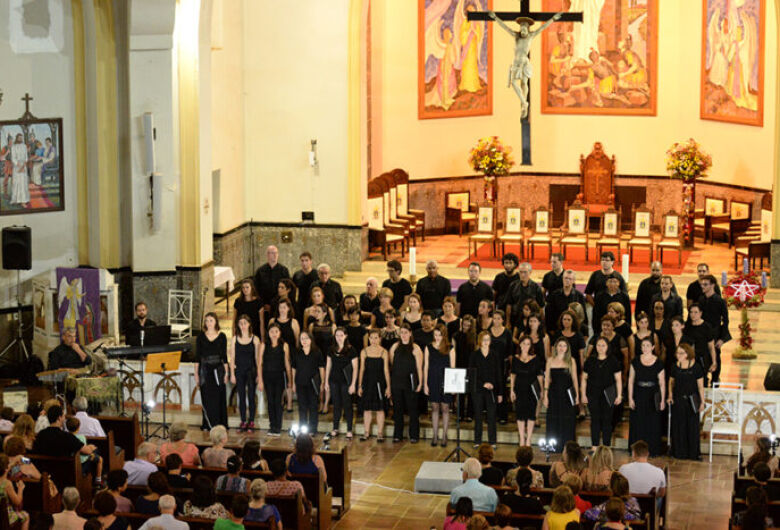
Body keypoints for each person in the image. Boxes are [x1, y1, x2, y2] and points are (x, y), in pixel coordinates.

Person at [627, 338, 665, 456]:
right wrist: (630, 398)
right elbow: (630, 381)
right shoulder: (635, 361)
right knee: (638, 422)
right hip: (638, 394)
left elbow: (662, 383)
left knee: (652, 423)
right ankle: (636, 450)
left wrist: (662, 400)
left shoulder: (658, 363)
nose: (645, 348)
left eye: (648, 345)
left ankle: (652, 450)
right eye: (643, 345)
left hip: (652, 396)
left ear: (653, 347)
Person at [668, 344, 705, 460]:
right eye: (678, 353)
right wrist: (670, 395)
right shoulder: (675, 366)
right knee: (679, 426)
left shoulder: (696, 367)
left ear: (688, 354)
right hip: (678, 399)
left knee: (692, 426)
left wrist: (702, 402)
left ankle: (693, 453)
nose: (679, 355)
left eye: (682, 353)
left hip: (691, 401)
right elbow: (671, 383)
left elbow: (700, 387)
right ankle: (679, 452)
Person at [388, 325, 422, 444]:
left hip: (411, 382)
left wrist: (420, 383)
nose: (403, 335)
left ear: (410, 333)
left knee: (413, 410)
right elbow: (392, 363)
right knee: (397, 410)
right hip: (397, 382)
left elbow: (419, 367)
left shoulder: (415, 348)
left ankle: (414, 435)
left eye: (406, 332)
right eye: (401, 332)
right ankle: (398, 435)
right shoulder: (394, 347)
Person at [195, 312, 229, 430]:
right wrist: (196, 374)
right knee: (206, 398)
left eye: (211, 320)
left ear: (216, 322)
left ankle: (220, 424)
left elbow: (224, 357)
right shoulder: (200, 337)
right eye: (207, 321)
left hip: (218, 371)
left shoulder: (222, 336)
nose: (208, 323)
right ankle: (207, 424)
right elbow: (197, 357)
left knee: (219, 397)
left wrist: (227, 373)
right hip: (205, 370)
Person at [228, 315, 261, 433]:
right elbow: (232, 358)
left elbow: (258, 359)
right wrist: (232, 374)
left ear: (249, 324)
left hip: (251, 370)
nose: (243, 325)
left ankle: (251, 421)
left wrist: (259, 375)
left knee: (251, 396)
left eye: (245, 323)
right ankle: (243, 421)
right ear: (238, 325)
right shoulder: (234, 339)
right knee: (241, 396)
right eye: (240, 323)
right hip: (239, 371)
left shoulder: (255, 339)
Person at [324, 328, 359, 441]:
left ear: (345, 336)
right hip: (334, 380)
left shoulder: (351, 350)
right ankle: (335, 428)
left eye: (341, 335)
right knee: (336, 405)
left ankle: (349, 429)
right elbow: (328, 366)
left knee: (347, 405)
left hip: (346, 382)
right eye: (337, 335)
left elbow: (355, 368)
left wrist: (353, 384)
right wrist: (326, 381)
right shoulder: (330, 349)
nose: (339, 337)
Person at [545, 339, 579, 450]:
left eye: (564, 346)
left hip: (567, 394)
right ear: (556, 347)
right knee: (553, 419)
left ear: (567, 348)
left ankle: (567, 446)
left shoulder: (571, 361)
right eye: (560, 345)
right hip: (553, 394)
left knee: (568, 419)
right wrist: (545, 395)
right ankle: (553, 445)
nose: (562, 348)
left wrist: (577, 395)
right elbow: (547, 379)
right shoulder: (550, 360)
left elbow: (575, 379)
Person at [696, 273, 730, 385]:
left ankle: (715, 380)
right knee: (703, 357)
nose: (703, 287)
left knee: (715, 356)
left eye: (705, 284)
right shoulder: (701, 299)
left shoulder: (720, 301)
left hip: (715, 333)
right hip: (703, 334)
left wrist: (722, 339)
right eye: (702, 284)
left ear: (712, 285)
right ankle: (704, 380)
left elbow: (725, 321)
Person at [470, 331, 502, 447]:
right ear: (479, 341)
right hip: (478, 389)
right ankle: (477, 440)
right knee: (478, 415)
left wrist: (499, 391)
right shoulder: (474, 355)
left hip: (492, 389)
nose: (486, 342)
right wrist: (482, 384)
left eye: (488, 339)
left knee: (492, 416)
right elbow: (472, 374)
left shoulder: (494, 355)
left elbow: (498, 373)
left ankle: (492, 441)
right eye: (484, 340)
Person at [510, 335, 544, 446]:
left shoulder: (535, 359)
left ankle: (528, 438)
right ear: (520, 344)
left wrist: (542, 390)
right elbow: (513, 375)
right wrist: (511, 390)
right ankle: (521, 438)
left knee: (531, 414)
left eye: (528, 344)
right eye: (524, 343)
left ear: (531, 346)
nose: (525, 346)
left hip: (531, 390)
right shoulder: (515, 358)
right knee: (520, 414)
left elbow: (539, 375)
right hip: (519, 389)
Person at [259, 323, 292, 436]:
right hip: (267, 376)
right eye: (272, 331)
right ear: (268, 333)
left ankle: (278, 426)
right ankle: (271, 425)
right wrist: (260, 380)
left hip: (279, 376)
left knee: (278, 401)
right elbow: (260, 364)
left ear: (279, 333)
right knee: (270, 401)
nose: (274, 334)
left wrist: (290, 380)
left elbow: (287, 363)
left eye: (276, 331)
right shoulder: (264, 345)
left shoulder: (284, 345)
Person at [358, 329, 391, 441]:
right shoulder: (364, 351)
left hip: (379, 383)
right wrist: (359, 385)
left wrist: (388, 387)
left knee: (380, 409)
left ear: (380, 339)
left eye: (376, 338)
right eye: (371, 338)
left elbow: (386, 371)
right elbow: (361, 370)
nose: (373, 340)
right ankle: (366, 432)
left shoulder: (384, 352)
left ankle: (380, 433)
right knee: (367, 409)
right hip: (367, 383)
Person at [426, 324, 456, 446]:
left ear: (444, 335)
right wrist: (425, 384)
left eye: (440, 335)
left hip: (446, 380)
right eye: (435, 335)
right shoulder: (428, 347)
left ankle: (444, 436)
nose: (437, 337)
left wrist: (453, 385)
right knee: (434, 407)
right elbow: (425, 366)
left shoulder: (450, 348)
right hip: (433, 379)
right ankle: (434, 435)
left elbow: (453, 367)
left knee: (445, 408)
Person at [291, 331, 325, 434]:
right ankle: (303, 429)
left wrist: (322, 382)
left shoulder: (317, 352)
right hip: (300, 383)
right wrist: (292, 383)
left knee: (313, 406)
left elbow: (321, 368)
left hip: (313, 384)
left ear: (311, 339)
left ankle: (313, 429)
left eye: (306, 338)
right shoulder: (297, 352)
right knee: (302, 407)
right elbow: (294, 368)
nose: (304, 341)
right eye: (302, 338)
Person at [546, 270, 588, 335]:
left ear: (573, 280)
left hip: (574, 332)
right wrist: (551, 331)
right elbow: (549, 315)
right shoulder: (554, 295)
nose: (567, 280)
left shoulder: (579, 296)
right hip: (557, 331)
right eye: (565, 278)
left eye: (570, 278)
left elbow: (583, 316)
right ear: (562, 279)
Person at [506, 262, 545, 329]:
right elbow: (509, 305)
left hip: (531, 321)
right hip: (515, 319)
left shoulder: (536, 287)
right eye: (521, 272)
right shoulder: (513, 286)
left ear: (530, 272)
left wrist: (541, 323)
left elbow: (541, 307)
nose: (522, 275)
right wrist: (508, 322)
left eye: (525, 272)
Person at [65, 416, 103, 485]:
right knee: (99, 459)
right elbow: (85, 452)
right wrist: (91, 449)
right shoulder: (81, 437)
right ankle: (98, 480)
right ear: (78, 427)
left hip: (70, 462)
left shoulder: (66, 437)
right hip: (82, 463)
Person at [685, 304, 717, 382]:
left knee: (702, 380)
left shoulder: (706, 327)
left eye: (696, 312)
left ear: (700, 313)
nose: (693, 315)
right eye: (691, 312)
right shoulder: (687, 326)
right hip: (689, 359)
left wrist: (714, 362)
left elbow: (711, 347)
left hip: (702, 359)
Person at [232, 280, 262, 344]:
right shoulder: (238, 302)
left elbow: (261, 322)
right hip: (241, 332)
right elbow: (234, 321)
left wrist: (262, 339)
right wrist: (233, 337)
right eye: (243, 287)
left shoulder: (258, 302)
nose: (245, 289)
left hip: (255, 332)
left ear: (252, 288)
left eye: (247, 287)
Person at [293, 251, 318, 320]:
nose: (304, 263)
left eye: (306, 260)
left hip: (314, 303)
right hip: (301, 304)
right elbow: (293, 290)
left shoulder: (316, 274)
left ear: (311, 261)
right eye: (302, 261)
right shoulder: (297, 275)